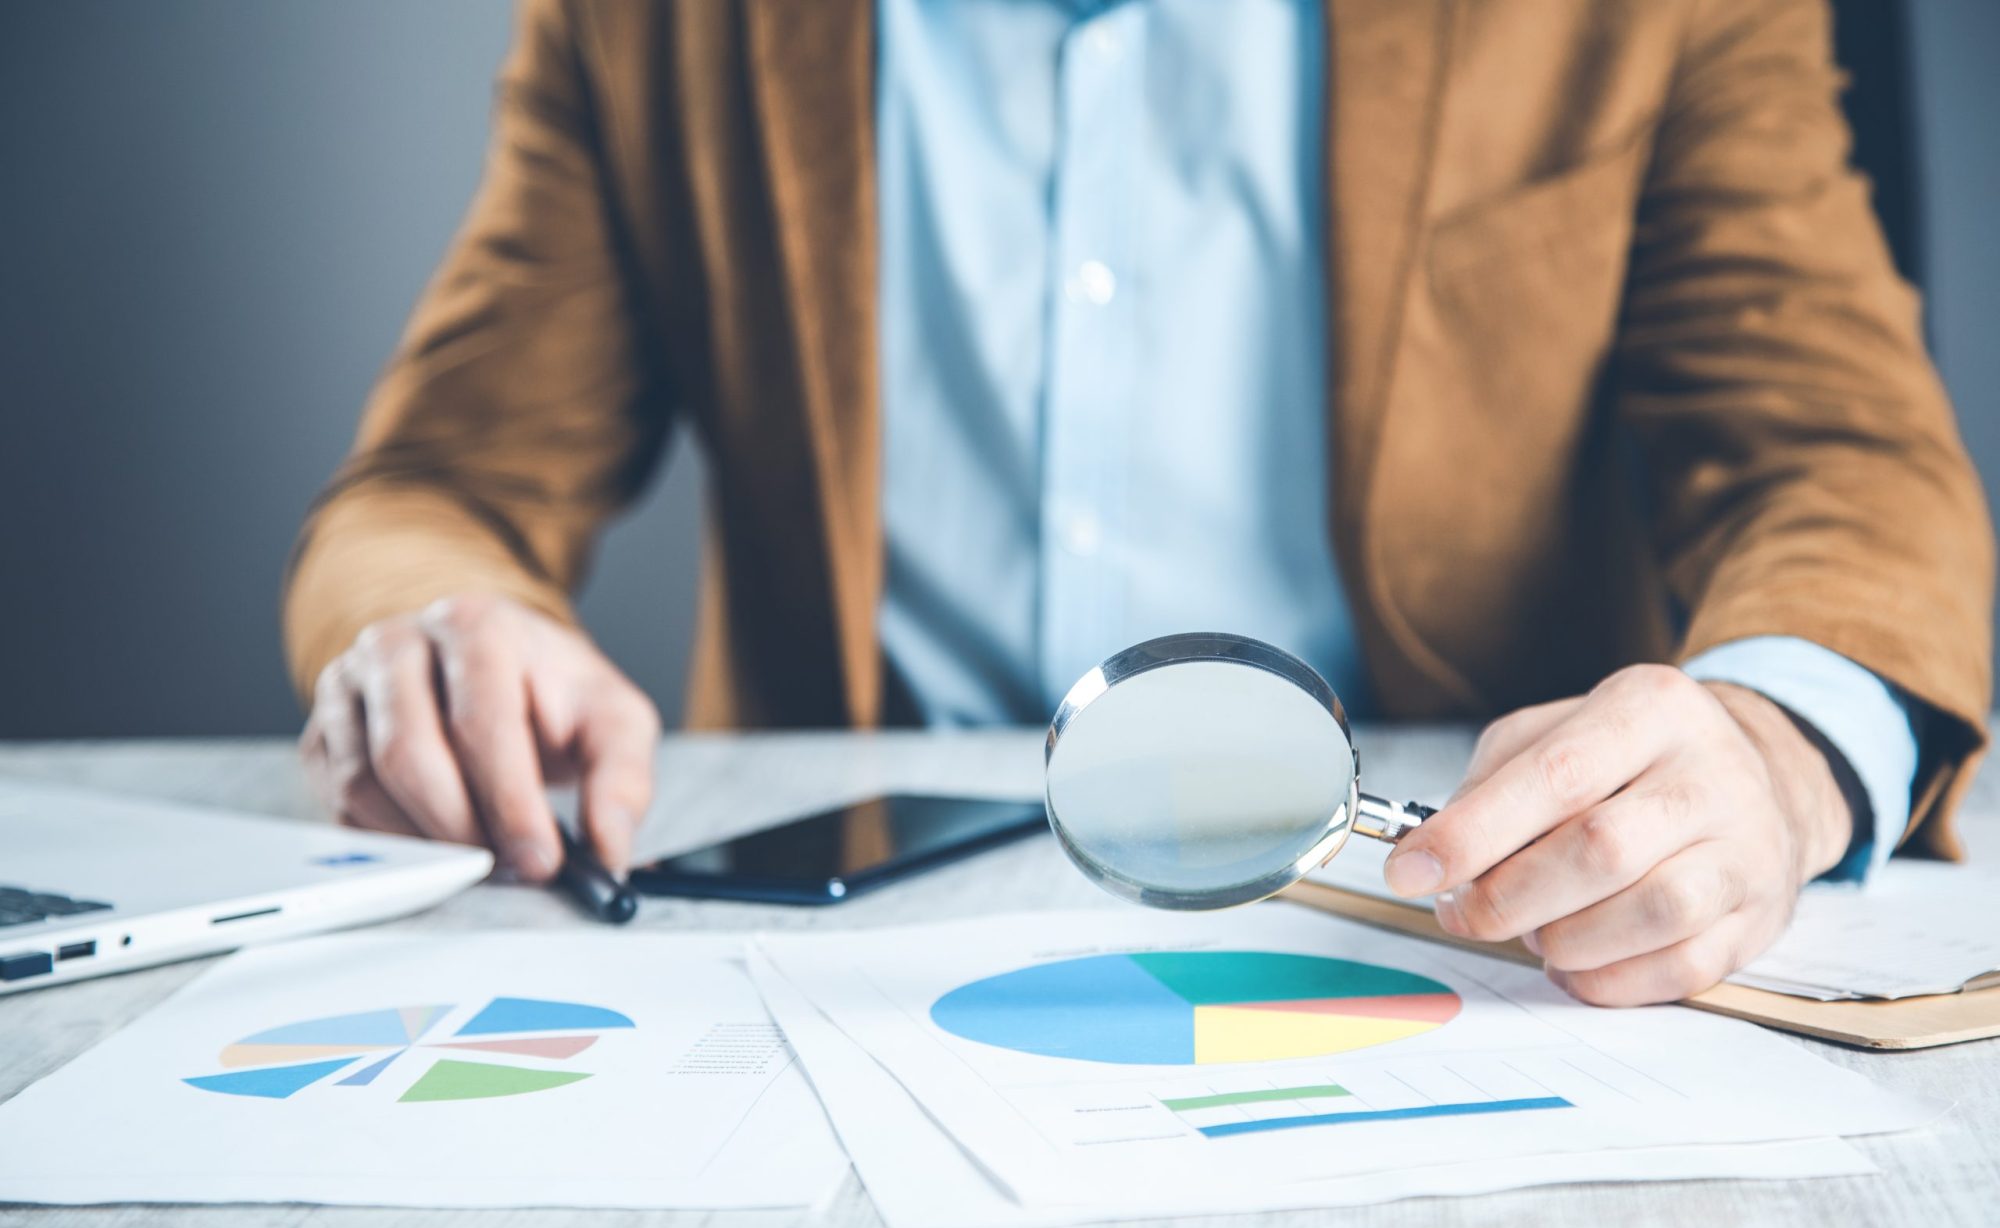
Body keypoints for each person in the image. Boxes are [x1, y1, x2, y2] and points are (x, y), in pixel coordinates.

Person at [285, 0, 1992, 1006]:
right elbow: (441, 482)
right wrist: (426, 628)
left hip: (1463, 935)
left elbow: (1837, 450)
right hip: (822, 944)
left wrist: (1770, 757)